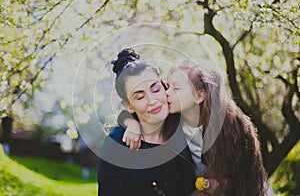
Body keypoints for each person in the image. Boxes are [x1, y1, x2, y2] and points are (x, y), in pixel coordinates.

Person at [120, 65, 269, 195]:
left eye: (176, 88)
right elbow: (127, 113)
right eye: (168, 86)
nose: (166, 93)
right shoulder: (173, 118)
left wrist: (209, 185)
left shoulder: (230, 127)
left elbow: (234, 180)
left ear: (199, 96)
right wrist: (132, 124)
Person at [97, 48, 196, 196]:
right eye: (140, 97)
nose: (153, 101)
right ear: (128, 106)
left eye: (155, 89)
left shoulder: (183, 128)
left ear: (164, 87)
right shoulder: (117, 144)